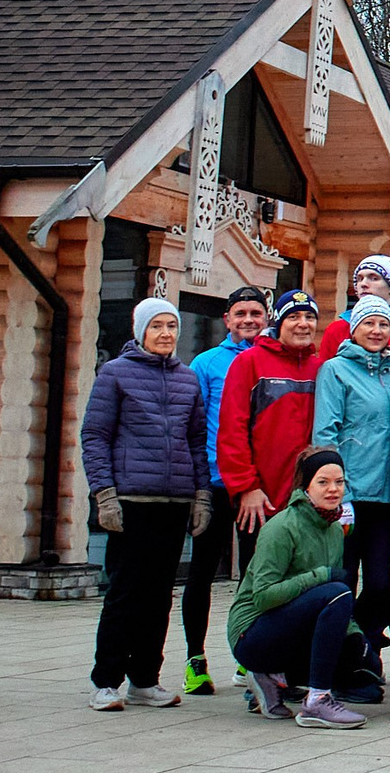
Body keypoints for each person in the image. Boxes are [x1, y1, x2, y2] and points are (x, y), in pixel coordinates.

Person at [83, 297, 210, 709]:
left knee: (159, 595)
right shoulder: (115, 375)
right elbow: (95, 437)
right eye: (157, 326)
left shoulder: (187, 379)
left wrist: (201, 496)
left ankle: (145, 678)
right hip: (131, 500)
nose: (166, 334)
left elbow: (196, 442)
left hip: (173, 502)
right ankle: (106, 681)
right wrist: (104, 495)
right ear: (140, 331)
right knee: (125, 592)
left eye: (172, 326)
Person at [228, 448, 365, 728]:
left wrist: (355, 636)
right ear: (306, 487)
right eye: (323, 482)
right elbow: (264, 596)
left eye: (339, 482)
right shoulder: (281, 527)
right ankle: (317, 701)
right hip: (251, 633)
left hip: (292, 628)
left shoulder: (335, 529)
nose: (333, 490)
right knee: (337, 590)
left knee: (355, 651)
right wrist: (320, 575)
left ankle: (273, 679)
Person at [312, 293, 390, 700]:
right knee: (344, 580)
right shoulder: (335, 370)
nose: (376, 331)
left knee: (383, 583)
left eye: (383, 324)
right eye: (369, 323)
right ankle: (340, 664)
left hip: (385, 499)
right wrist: (336, 494)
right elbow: (325, 433)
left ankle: (364, 646)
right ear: (354, 328)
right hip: (348, 497)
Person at [182, 284, 269, 696]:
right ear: (228, 319)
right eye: (241, 313)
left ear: (266, 317)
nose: (249, 320)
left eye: (256, 312)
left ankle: (246, 655)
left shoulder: (272, 360)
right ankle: (195, 659)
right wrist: (198, 483)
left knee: (255, 575)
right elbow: (193, 427)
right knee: (202, 571)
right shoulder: (206, 363)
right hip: (217, 485)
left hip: (258, 489)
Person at [217, 290, 326, 542]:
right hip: (262, 499)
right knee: (260, 577)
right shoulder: (249, 362)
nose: (302, 323)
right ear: (278, 322)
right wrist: (246, 487)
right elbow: (232, 431)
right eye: (294, 317)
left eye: (309, 317)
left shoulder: (320, 368)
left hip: (309, 500)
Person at [318, 255, 390, 373]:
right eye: (359, 279)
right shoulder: (336, 329)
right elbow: (325, 375)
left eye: (374, 278)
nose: (363, 284)